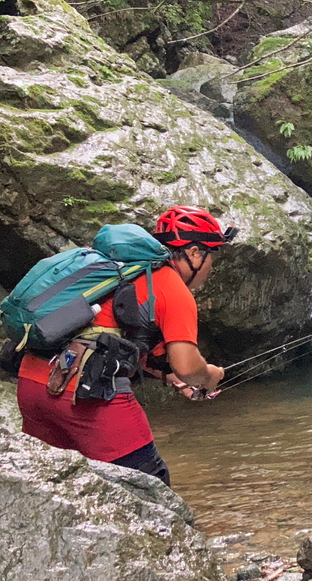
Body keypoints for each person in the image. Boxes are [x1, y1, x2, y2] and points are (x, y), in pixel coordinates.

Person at [15, 205, 233, 485]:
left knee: (55, 485)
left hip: (32, 384)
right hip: (84, 395)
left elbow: (111, 336)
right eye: (211, 255)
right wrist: (209, 376)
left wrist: (170, 377)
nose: (211, 267)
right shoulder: (170, 285)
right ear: (194, 253)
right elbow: (188, 365)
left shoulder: (122, 272)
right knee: (149, 487)